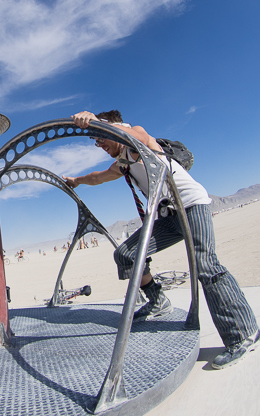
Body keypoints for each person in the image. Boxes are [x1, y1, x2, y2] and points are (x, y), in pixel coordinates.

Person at [63, 110, 259, 370]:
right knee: (126, 254)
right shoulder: (123, 162)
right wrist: (76, 181)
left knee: (205, 265)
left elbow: (137, 137)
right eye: (97, 141)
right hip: (169, 216)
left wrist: (97, 122)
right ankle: (157, 301)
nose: (100, 145)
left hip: (191, 206)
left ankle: (242, 333)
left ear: (114, 127)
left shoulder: (138, 136)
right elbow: (99, 177)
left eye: (101, 138)